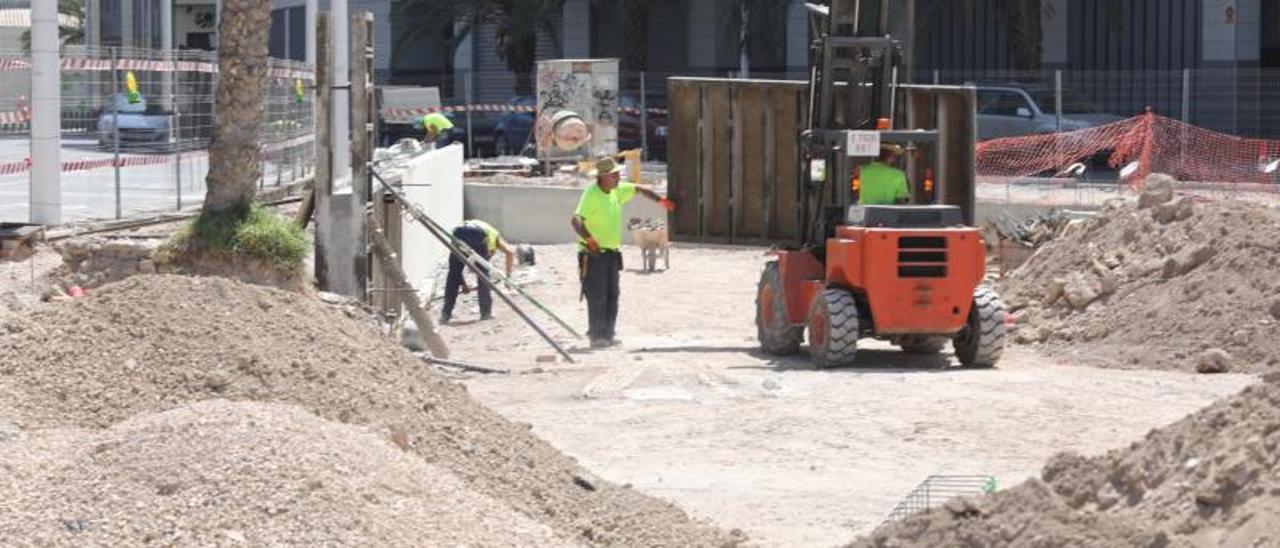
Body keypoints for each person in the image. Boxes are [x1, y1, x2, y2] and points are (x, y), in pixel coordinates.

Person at [570, 157, 676, 348]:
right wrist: (589, 239)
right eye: (614, 175)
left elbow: (639, 189)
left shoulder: (615, 191)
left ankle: (608, 334)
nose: (619, 177)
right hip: (592, 254)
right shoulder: (591, 194)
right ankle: (597, 336)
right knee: (597, 295)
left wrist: (661, 201)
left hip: (611, 253)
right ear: (603, 177)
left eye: (618, 174)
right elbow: (576, 221)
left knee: (612, 294)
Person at [440, 219, 515, 324]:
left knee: (453, 273)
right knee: (483, 275)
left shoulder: (482, 230)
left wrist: (463, 284)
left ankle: (445, 314)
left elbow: (458, 270)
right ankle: (486, 313)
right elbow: (510, 252)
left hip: (458, 233)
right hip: (478, 234)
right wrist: (508, 278)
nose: (489, 256)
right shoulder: (495, 237)